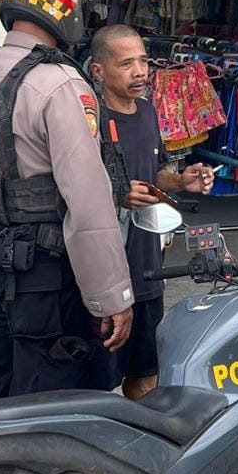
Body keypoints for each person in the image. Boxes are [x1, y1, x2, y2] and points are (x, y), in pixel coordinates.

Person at [0, 0, 136, 417]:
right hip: (43, 282)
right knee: (47, 416)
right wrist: (112, 297)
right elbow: (89, 203)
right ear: (65, 3)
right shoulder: (59, 83)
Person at [88, 24, 215, 400]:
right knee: (95, 386)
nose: (140, 72)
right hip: (105, 277)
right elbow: (73, 189)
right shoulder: (89, 120)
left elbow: (154, 173)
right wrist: (117, 193)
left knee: (146, 379)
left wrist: (181, 182)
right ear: (98, 71)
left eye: (143, 61)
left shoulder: (147, 112)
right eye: (126, 64)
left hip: (147, 272)